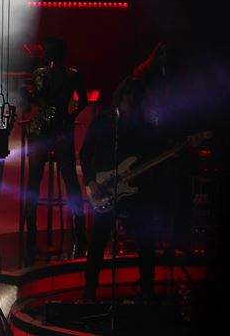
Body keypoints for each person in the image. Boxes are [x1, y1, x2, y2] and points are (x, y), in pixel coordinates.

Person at [80, 77, 169, 301]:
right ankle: (89, 291)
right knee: (98, 240)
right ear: (119, 96)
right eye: (128, 93)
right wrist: (91, 183)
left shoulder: (146, 128)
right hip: (104, 188)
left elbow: (155, 158)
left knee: (146, 239)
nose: (131, 98)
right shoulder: (103, 121)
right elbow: (85, 153)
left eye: (135, 94)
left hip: (134, 191)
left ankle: (147, 291)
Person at [22, 37, 88, 262]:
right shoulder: (40, 74)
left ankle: (80, 231)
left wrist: (70, 115)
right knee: (35, 177)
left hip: (59, 127)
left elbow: (83, 100)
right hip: (43, 127)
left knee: (69, 177)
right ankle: (32, 234)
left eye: (48, 51)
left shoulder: (72, 75)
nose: (45, 54)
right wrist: (27, 96)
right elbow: (36, 100)